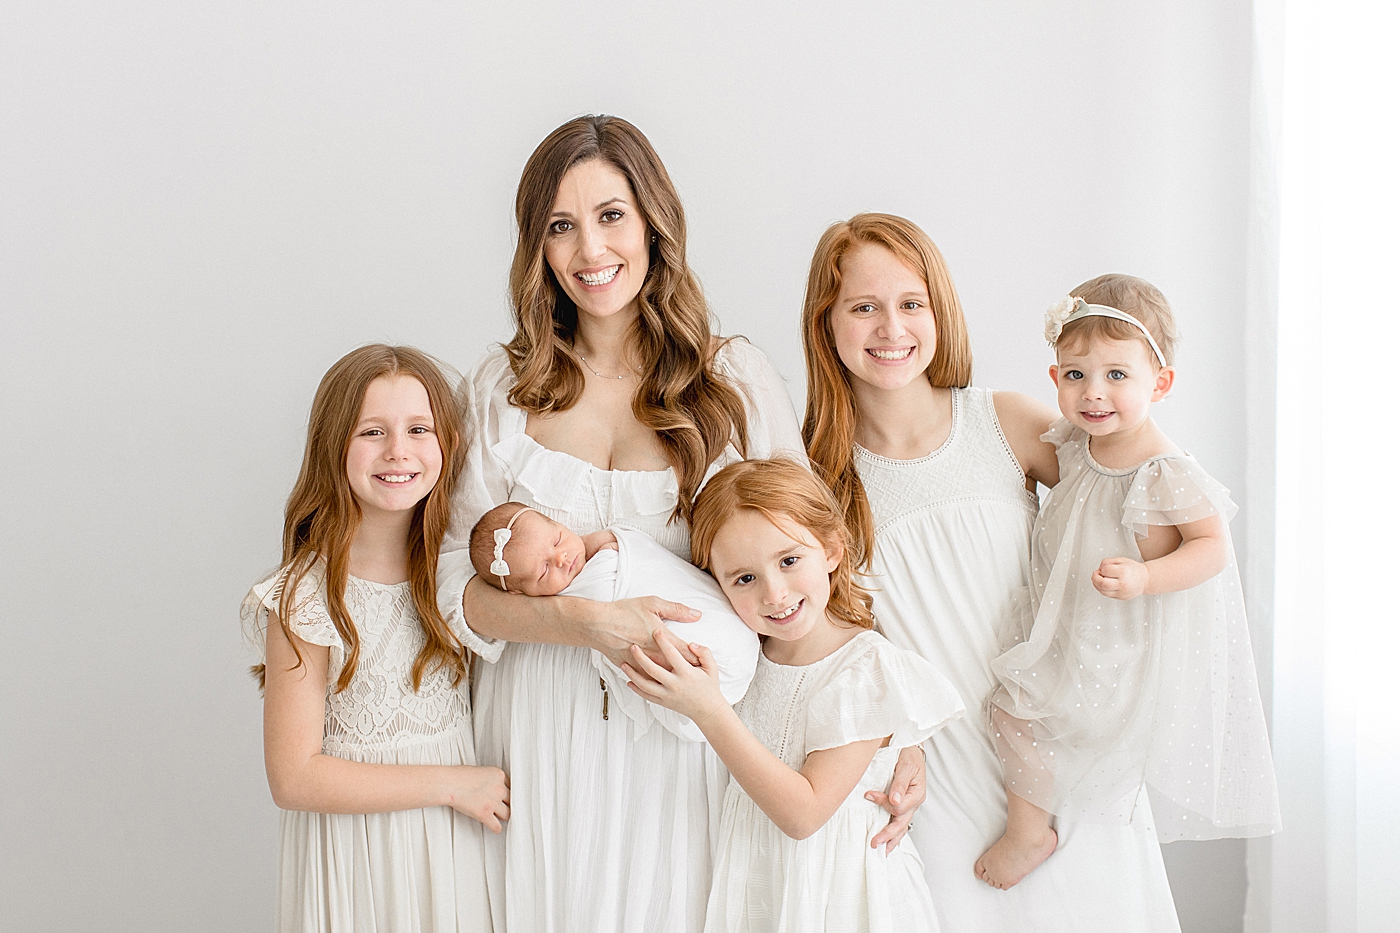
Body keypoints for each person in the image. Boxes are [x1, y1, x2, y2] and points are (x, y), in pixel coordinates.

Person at [436, 115, 927, 933]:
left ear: (654, 222)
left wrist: (889, 728)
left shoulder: (730, 379)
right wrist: (582, 620)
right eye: (561, 226)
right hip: (535, 732)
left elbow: (808, 557)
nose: (591, 250)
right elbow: (454, 583)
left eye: (611, 215)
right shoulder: (501, 386)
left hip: (691, 735)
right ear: (537, 248)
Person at [801, 213, 1184, 931]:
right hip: (934, 777)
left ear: (939, 311)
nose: (891, 327)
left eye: (911, 303)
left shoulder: (1001, 421)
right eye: (864, 306)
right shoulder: (816, 474)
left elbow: (1128, 484)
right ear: (826, 323)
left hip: (1051, 751)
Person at [974, 277, 1281, 889]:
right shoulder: (1075, 445)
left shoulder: (1162, 469)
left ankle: (1030, 832)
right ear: (1055, 375)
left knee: (1015, 709)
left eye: (1117, 375)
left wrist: (1147, 576)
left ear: (1159, 383)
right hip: (1073, 625)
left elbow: (1212, 546)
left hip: (1118, 641)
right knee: (1015, 707)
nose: (1093, 394)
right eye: (1075, 375)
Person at [625, 458, 964, 933]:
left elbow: (804, 814)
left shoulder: (864, 671)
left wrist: (708, 709)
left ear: (830, 549)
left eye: (788, 561)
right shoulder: (745, 662)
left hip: (844, 899)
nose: (775, 593)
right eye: (745, 578)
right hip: (761, 889)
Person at [243, 344, 509, 933]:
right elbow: (293, 777)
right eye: (372, 431)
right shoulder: (305, 598)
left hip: (455, 849)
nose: (399, 451)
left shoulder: (456, 580)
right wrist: (452, 784)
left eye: (420, 429)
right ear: (332, 447)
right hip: (358, 856)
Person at [467, 501, 759, 742]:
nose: (561, 557)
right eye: (544, 570)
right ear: (521, 593)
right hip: (568, 724)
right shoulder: (578, 593)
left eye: (557, 539)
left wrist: (611, 545)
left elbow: (645, 555)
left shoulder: (605, 548)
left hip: (730, 639)